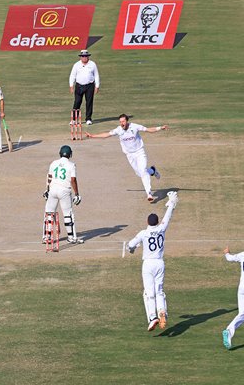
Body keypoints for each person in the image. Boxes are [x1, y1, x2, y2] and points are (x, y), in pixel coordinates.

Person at [86, 113, 168, 202]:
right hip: (129, 155)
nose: (122, 123)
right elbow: (106, 135)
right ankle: (152, 171)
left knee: (143, 171)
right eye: (120, 122)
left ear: (127, 121)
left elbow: (148, 129)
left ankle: (148, 193)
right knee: (139, 173)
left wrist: (160, 128)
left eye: (123, 121)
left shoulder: (135, 127)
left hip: (139, 152)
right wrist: (92, 136)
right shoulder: (118, 130)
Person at [128, 191, 179, 331]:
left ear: (147, 222)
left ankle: (152, 317)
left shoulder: (143, 233)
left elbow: (131, 245)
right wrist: (171, 204)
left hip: (148, 264)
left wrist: (132, 248)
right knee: (159, 291)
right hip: (159, 263)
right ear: (157, 222)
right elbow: (167, 217)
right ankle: (162, 311)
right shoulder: (162, 228)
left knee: (148, 293)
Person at [42, 145, 84, 244]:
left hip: (53, 189)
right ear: (70, 154)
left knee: (49, 213)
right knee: (68, 214)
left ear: (60, 153)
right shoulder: (71, 165)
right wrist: (77, 194)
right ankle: (71, 237)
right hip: (64, 191)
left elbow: (49, 177)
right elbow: (73, 180)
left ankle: (47, 237)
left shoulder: (53, 163)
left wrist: (47, 189)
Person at [69, 49, 100, 125]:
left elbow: (96, 75)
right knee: (77, 102)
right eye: (83, 56)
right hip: (79, 86)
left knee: (89, 102)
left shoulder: (92, 64)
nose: (84, 58)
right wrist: (71, 85)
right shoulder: (76, 65)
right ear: (80, 57)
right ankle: (73, 119)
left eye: (86, 56)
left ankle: (88, 119)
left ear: (88, 57)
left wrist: (97, 86)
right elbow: (72, 75)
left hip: (90, 86)